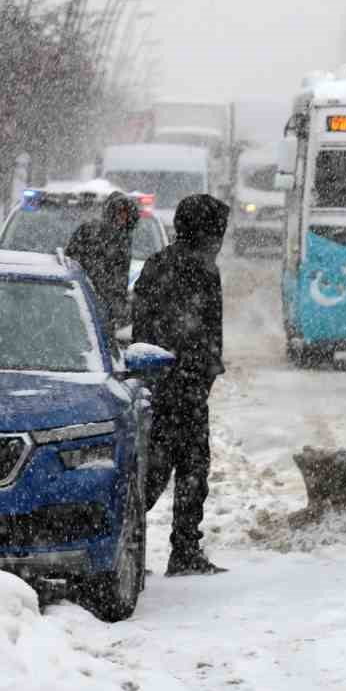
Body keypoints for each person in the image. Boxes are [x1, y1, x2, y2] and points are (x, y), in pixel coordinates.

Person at [133, 193, 230, 576]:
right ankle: (183, 548)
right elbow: (205, 332)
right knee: (188, 466)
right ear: (206, 233)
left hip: (159, 382)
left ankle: (131, 538)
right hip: (183, 385)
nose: (220, 242)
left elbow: (142, 323)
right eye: (217, 233)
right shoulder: (201, 271)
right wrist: (203, 371)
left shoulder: (156, 265)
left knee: (157, 468)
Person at [64, 193, 141, 331]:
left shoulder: (124, 239)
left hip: (97, 306)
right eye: (119, 214)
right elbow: (72, 262)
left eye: (126, 215)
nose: (122, 219)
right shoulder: (91, 232)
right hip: (83, 300)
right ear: (110, 214)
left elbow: (119, 279)